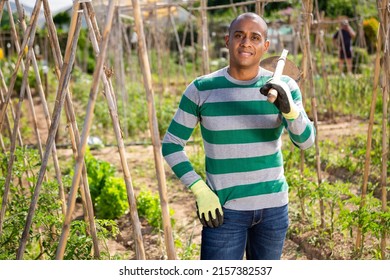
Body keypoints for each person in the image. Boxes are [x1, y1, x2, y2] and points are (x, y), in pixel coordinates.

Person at [162, 12, 315, 260]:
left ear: (265, 46)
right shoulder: (202, 89)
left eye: (255, 37)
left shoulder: (283, 87)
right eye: (239, 35)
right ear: (227, 40)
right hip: (224, 212)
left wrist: (289, 109)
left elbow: (306, 142)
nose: (246, 42)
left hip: (273, 209)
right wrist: (200, 189)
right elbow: (171, 144)